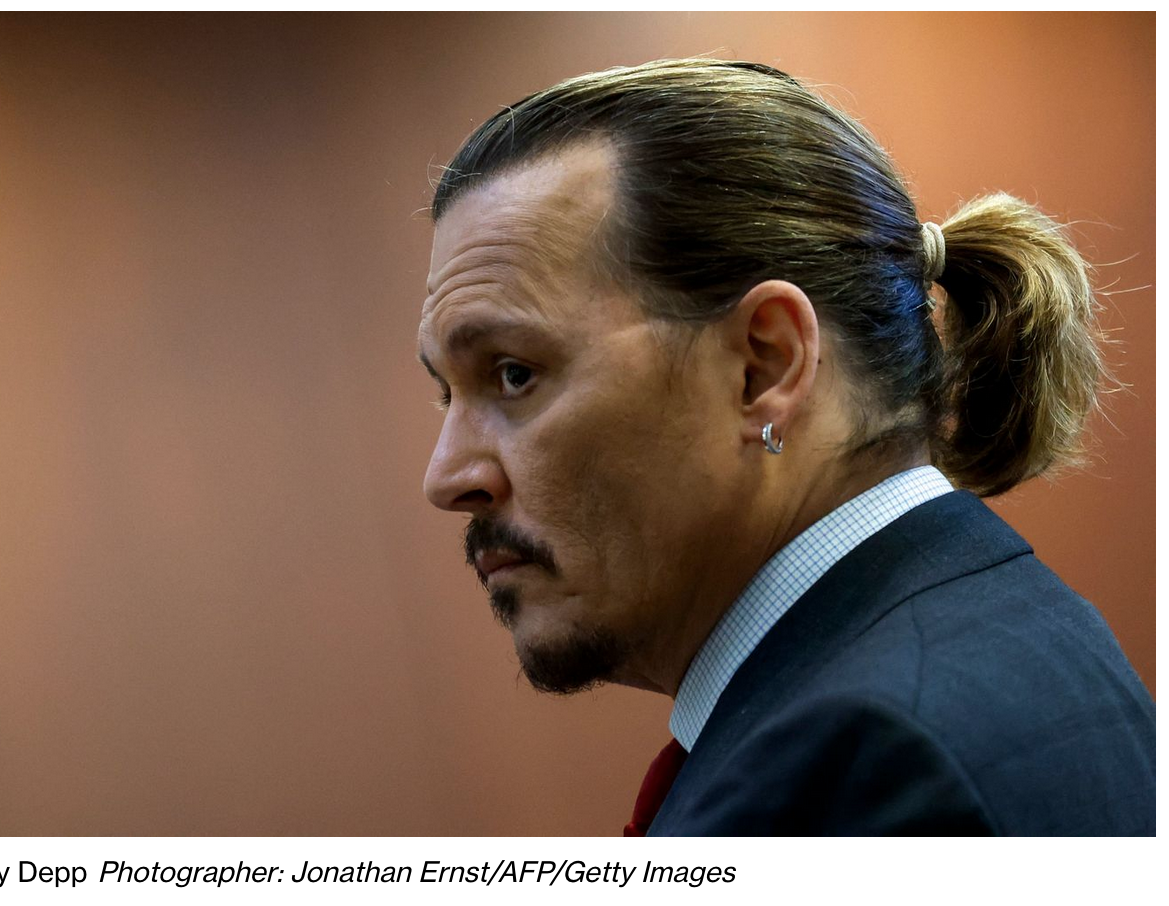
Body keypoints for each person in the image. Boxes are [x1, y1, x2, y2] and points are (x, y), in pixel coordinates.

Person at [416, 59, 1154, 835]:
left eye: (514, 374)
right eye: (446, 393)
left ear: (764, 365)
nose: (446, 476)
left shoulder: (860, 769)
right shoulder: (993, 630)